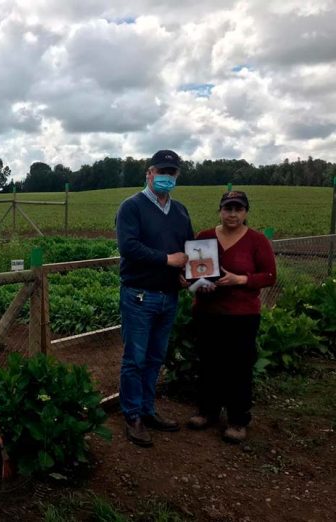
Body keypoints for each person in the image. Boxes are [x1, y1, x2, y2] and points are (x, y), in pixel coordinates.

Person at [115, 149, 194, 447]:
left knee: (154, 357)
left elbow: (188, 247)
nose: (166, 177)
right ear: (149, 173)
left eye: (172, 173)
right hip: (139, 295)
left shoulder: (180, 211)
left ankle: (148, 410)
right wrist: (167, 260)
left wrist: (187, 271)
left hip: (168, 296)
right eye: (161, 172)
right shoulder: (131, 207)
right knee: (134, 359)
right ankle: (132, 415)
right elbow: (129, 248)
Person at [187, 191, 276, 443]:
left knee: (239, 367)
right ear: (220, 211)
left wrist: (241, 279)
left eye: (238, 209)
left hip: (242, 315)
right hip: (207, 313)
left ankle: (238, 419)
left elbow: (269, 276)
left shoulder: (257, 241)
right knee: (208, 363)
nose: (233, 214)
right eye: (228, 209)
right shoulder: (204, 238)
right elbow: (193, 276)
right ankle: (207, 411)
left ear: (246, 212)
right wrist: (199, 284)